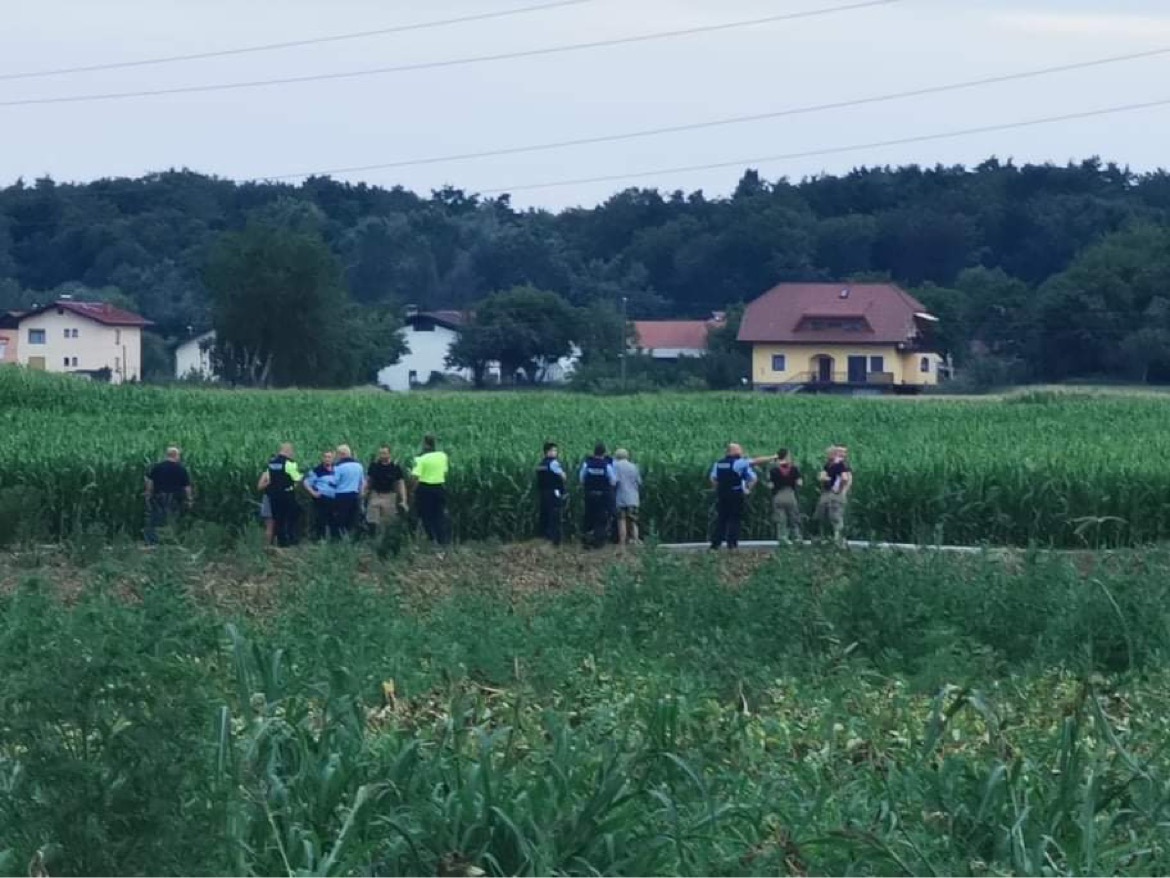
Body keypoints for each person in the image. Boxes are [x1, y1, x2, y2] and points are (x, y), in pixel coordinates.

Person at [709, 442, 759, 550]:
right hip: (736, 493)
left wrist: (718, 489)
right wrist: (748, 489)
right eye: (739, 450)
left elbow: (713, 478)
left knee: (721, 519)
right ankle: (732, 544)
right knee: (734, 519)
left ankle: (715, 544)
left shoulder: (718, 463)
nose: (741, 452)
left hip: (722, 494)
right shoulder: (739, 463)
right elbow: (754, 476)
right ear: (732, 451)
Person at [144, 446, 192, 545]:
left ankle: (154, 542)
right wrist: (189, 500)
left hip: (158, 497)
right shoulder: (181, 469)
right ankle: (172, 541)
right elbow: (187, 487)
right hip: (175, 498)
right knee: (173, 519)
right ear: (176, 455)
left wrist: (148, 495)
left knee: (156, 520)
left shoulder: (157, 467)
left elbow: (150, 483)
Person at [259, 442, 303, 547]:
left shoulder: (272, 463)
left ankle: (280, 542)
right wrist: (303, 476)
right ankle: (291, 540)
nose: (293, 453)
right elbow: (297, 478)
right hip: (287, 494)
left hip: (273, 496)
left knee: (278, 519)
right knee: (294, 514)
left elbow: (269, 479)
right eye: (292, 451)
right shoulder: (289, 463)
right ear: (288, 451)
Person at [410, 434, 450, 545]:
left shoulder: (420, 459)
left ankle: (431, 539)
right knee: (439, 515)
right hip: (439, 487)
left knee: (426, 515)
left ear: (425, 444)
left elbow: (415, 477)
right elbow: (445, 472)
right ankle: (443, 541)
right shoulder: (443, 456)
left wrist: (412, 491)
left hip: (425, 489)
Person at [579, 443, 617, 549]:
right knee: (601, 519)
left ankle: (586, 541)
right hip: (603, 496)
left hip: (589, 495)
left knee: (588, 517)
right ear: (604, 453)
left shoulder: (587, 464)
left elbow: (581, 479)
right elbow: (613, 481)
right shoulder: (607, 465)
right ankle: (598, 542)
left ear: (594, 452)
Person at [365, 445, 408, 537]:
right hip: (375, 495)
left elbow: (400, 484)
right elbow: (368, 481)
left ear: (389, 454)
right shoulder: (374, 466)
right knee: (372, 520)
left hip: (389, 496)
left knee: (387, 521)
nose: (382, 455)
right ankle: (373, 539)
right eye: (380, 453)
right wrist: (364, 493)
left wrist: (403, 500)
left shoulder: (395, 468)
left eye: (384, 453)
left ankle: (385, 539)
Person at [814, 445, 853, 544]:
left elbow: (845, 478)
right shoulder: (828, 465)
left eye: (828, 454)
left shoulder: (840, 465)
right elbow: (821, 476)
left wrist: (840, 490)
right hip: (827, 493)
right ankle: (825, 538)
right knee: (823, 516)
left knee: (836, 517)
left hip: (835, 494)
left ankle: (838, 540)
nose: (827, 456)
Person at [330, 444, 365, 540]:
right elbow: (362, 482)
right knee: (352, 518)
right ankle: (352, 538)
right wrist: (361, 494)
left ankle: (339, 539)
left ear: (342, 454)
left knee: (341, 519)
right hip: (354, 495)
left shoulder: (339, 467)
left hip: (342, 495)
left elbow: (334, 482)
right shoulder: (359, 466)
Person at [769, 448, 803, 543]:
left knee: (780, 519)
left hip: (778, 496)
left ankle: (783, 538)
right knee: (794, 517)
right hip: (790, 495)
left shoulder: (773, 469)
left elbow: (770, 485)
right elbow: (800, 483)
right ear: (787, 456)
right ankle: (796, 537)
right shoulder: (794, 469)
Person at [535, 442, 567, 545]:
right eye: (554, 450)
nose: (556, 453)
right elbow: (562, 476)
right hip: (553, 492)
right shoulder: (553, 463)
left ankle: (544, 537)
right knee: (555, 515)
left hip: (543, 493)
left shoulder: (540, 464)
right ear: (548, 452)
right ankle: (554, 540)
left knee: (545, 514)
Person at [303, 450, 336, 541]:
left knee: (334, 520)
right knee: (321, 519)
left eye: (329, 457)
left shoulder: (337, 469)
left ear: (333, 458)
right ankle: (320, 539)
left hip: (335, 498)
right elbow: (306, 482)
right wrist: (313, 493)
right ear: (322, 458)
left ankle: (334, 540)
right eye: (325, 457)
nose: (327, 459)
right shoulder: (317, 470)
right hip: (322, 498)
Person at [612, 448, 643, 546]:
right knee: (633, 521)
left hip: (620, 498)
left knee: (621, 520)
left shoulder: (615, 466)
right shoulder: (634, 467)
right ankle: (636, 540)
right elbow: (639, 482)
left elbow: (613, 481)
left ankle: (622, 542)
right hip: (633, 498)